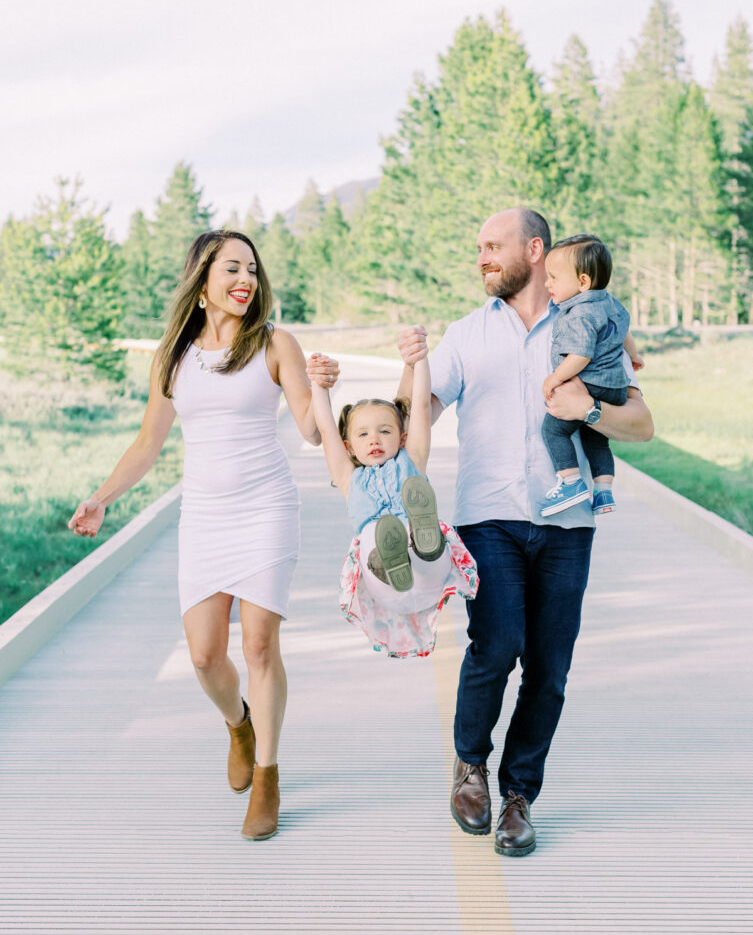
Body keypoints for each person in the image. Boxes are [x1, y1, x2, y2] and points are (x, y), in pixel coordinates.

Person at [397, 208, 653, 856]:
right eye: (478, 246)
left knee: (549, 668)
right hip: (488, 518)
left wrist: (589, 407)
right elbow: (413, 416)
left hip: (567, 524)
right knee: (496, 644)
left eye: (492, 246)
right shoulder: (465, 334)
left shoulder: (585, 322)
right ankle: (470, 768)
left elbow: (639, 423)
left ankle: (519, 796)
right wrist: (410, 367)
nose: (480, 257)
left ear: (533, 250)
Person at [68, 229, 338, 841]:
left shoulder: (274, 344)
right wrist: (101, 499)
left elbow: (310, 431)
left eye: (252, 269)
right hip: (207, 519)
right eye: (231, 269)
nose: (245, 279)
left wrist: (322, 389)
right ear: (202, 282)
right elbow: (147, 445)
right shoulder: (176, 356)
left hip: (267, 508)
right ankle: (238, 723)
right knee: (204, 656)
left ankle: (267, 775)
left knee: (261, 646)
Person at [305, 352, 478, 658]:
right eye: (363, 434)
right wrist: (319, 386)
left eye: (385, 431)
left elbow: (421, 407)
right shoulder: (349, 478)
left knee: (411, 525)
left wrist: (421, 360)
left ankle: (421, 540)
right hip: (386, 580)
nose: (375, 439)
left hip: (427, 570)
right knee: (375, 536)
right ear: (349, 447)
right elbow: (328, 431)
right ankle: (396, 551)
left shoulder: (411, 461)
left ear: (402, 438)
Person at [540, 233, 643, 518]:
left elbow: (581, 355)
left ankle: (570, 482)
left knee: (553, 429)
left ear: (582, 282)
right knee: (596, 438)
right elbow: (626, 332)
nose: (547, 283)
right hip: (615, 389)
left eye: (553, 278)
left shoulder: (580, 313)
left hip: (590, 384)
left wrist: (555, 379)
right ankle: (603, 490)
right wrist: (634, 357)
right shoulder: (611, 303)